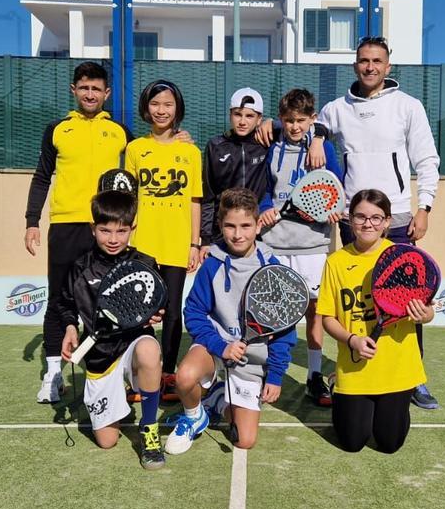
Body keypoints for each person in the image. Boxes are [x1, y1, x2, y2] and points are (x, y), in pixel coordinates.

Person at [317, 36, 442, 410]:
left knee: (407, 303)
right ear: (355, 65)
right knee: (354, 301)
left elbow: (427, 160)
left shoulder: (408, 106)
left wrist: (425, 207)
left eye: (376, 61)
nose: (369, 67)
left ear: (388, 67)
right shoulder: (337, 108)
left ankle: (413, 379)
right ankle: (349, 370)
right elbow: (310, 127)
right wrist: (315, 138)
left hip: (400, 216)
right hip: (355, 221)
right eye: (363, 61)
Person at [25, 61, 129, 405]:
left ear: (106, 93)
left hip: (105, 228)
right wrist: (31, 221)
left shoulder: (121, 133)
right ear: (74, 90)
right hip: (66, 226)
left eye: (96, 89)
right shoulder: (56, 129)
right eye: (84, 88)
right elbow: (42, 178)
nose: (90, 94)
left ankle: (105, 373)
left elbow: (136, 178)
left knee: (107, 303)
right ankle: (53, 374)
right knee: (59, 298)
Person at [165, 188, 295, 454]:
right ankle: (193, 416)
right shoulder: (212, 264)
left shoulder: (273, 267)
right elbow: (194, 313)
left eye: (246, 226)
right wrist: (220, 346)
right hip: (215, 350)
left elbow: (285, 327)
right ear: (220, 226)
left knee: (244, 440)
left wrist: (276, 375)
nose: (238, 234)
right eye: (230, 226)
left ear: (259, 225)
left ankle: (216, 400)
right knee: (185, 376)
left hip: (251, 360)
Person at [317, 189, 434, 453]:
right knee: (352, 443)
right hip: (355, 366)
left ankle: (396, 404)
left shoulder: (402, 257)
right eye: (360, 217)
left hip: (397, 367)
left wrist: (424, 315)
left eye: (376, 217)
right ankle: (339, 386)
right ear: (349, 219)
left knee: (389, 444)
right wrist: (352, 340)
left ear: (388, 222)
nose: (368, 223)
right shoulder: (336, 262)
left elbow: (427, 312)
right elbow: (327, 318)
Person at [56, 190, 166, 469]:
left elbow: (157, 306)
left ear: (133, 228)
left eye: (121, 230)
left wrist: (155, 315)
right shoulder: (80, 267)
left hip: (132, 345)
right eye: (105, 230)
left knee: (149, 349)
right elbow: (66, 304)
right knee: (107, 441)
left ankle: (149, 429)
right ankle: (118, 394)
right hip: (100, 354)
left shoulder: (145, 264)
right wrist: (70, 327)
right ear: (93, 229)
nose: (113, 239)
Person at [257, 88, 344, 407]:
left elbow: (337, 189)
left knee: (314, 312)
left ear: (313, 119)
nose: (295, 126)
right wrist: (266, 207)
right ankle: (270, 372)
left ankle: (315, 375)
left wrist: (335, 208)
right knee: (276, 312)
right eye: (289, 120)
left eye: (301, 120)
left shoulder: (324, 149)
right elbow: (266, 188)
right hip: (276, 243)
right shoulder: (272, 147)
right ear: (281, 120)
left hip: (313, 245)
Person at [125, 80, 203, 401]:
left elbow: (195, 200)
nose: (161, 110)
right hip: (143, 242)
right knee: (140, 310)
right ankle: (143, 374)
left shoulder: (190, 151)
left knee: (172, 312)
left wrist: (194, 243)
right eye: (155, 104)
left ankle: (168, 373)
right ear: (146, 108)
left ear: (177, 109)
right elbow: (128, 196)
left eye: (168, 104)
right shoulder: (134, 149)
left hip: (176, 242)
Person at [202, 88, 330, 246]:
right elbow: (207, 197)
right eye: (237, 114)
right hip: (223, 233)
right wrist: (205, 240)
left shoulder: (267, 141)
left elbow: (303, 122)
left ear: (259, 119)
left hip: (258, 234)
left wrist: (319, 138)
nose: (242, 121)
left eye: (249, 116)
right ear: (230, 115)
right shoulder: (215, 146)